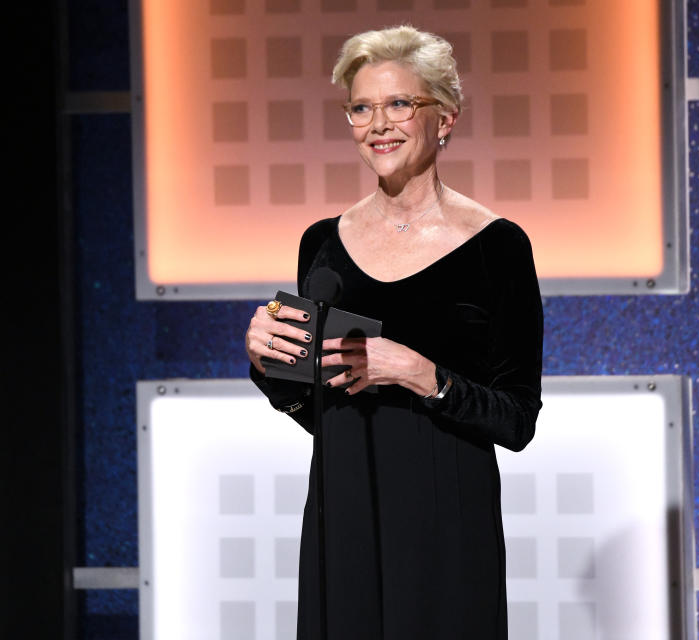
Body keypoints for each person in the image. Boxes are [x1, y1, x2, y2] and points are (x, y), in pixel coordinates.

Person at [244, 25, 543, 640]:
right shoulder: (321, 243)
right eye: (361, 107)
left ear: (446, 118)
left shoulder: (497, 246)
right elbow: (314, 403)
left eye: (400, 103)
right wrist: (269, 361)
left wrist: (418, 373)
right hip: (343, 505)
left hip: (446, 515)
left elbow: (516, 421)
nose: (378, 123)